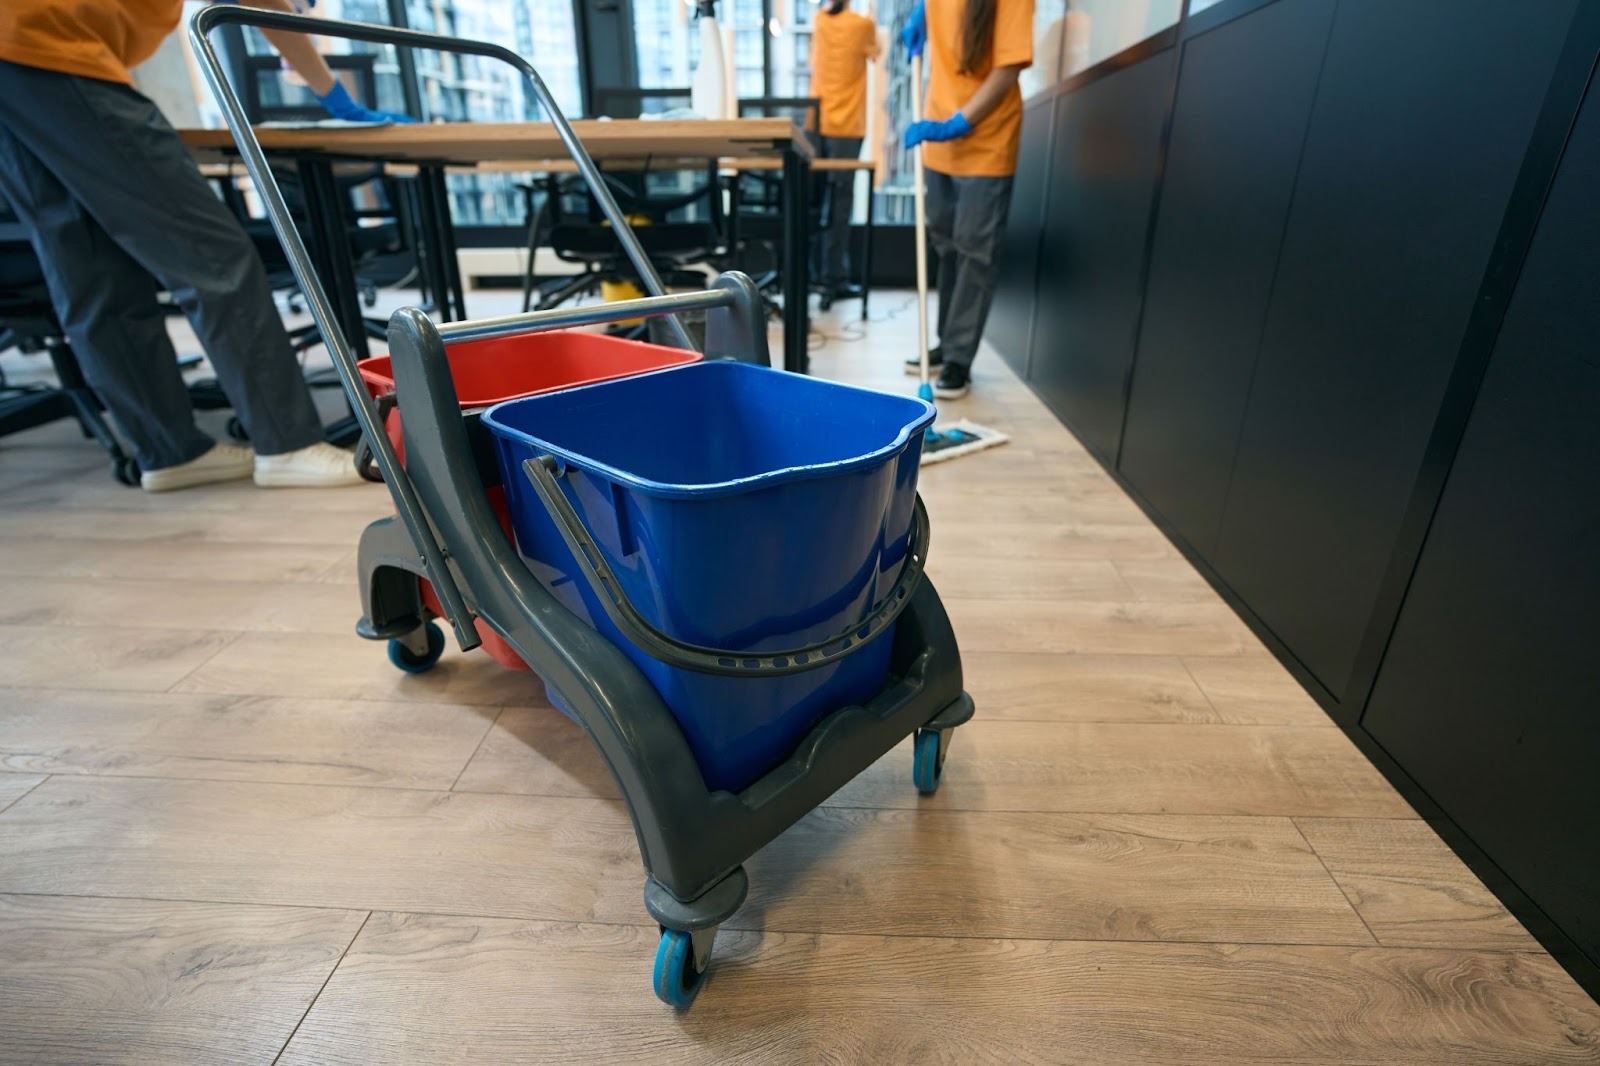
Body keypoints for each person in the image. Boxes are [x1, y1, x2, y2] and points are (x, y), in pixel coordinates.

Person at [0, 0, 412, 492]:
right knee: (210, 254)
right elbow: (268, 7)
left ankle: (171, 452)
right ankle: (288, 445)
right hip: (50, 42)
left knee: (88, 263)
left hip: (17, 51)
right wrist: (332, 93)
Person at [899, 0, 1033, 399]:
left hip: (985, 137)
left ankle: (960, 357)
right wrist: (923, 12)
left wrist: (958, 123)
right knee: (946, 243)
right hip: (938, 136)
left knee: (975, 249)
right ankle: (947, 341)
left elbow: (1007, 69)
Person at [808, 0, 881, 301]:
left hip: (817, 121)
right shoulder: (863, 25)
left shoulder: (820, 21)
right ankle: (834, 279)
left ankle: (816, 276)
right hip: (847, 125)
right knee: (840, 204)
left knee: (817, 201)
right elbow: (876, 53)